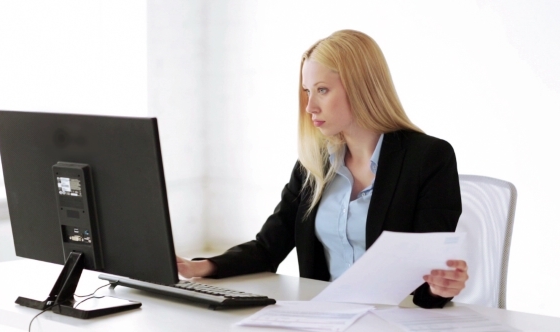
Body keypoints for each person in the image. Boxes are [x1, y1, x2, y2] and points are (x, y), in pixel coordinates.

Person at [177, 29, 468, 308]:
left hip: (394, 321)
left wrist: (440, 287)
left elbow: (428, 275)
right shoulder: (315, 163)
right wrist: (200, 267)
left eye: (322, 90)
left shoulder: (428, 158)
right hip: (323, 317)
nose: (310, 106)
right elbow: (268, 248)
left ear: (361, 87)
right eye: (307, 92)